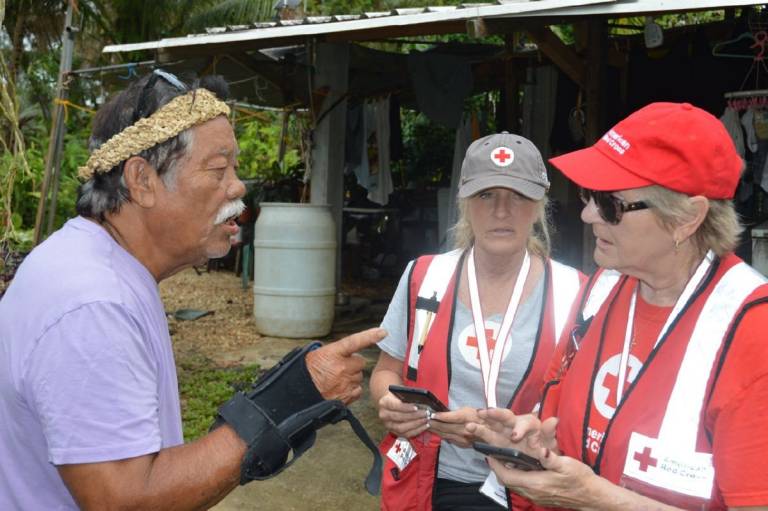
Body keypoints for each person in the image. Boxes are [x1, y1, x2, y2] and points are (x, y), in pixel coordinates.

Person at [0, 70, 386, 510]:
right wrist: (286, 401)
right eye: (218, 169)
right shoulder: (92, 305)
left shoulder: (95, 263)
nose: (238, 186)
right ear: (142, 180)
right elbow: (127, 501)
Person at [468, 102, 768, 510]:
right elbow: (570, 419)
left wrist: (594, 499)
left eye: (611, 204)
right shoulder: (603, 289)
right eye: (588, 195)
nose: (589, 214)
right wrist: (533, 437)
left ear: (687, 218)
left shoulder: (752, 332)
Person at [370, 132, 585, 510]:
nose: (501, 211)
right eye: (486, 195)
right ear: (465, 203)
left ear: (538, 205)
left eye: (517, 195)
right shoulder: (424, 277)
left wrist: (522, 432)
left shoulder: (575, 293)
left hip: (529, 488)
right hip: (429, 483)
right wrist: (390, 403)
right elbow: (386, 373)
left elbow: (582, 416)